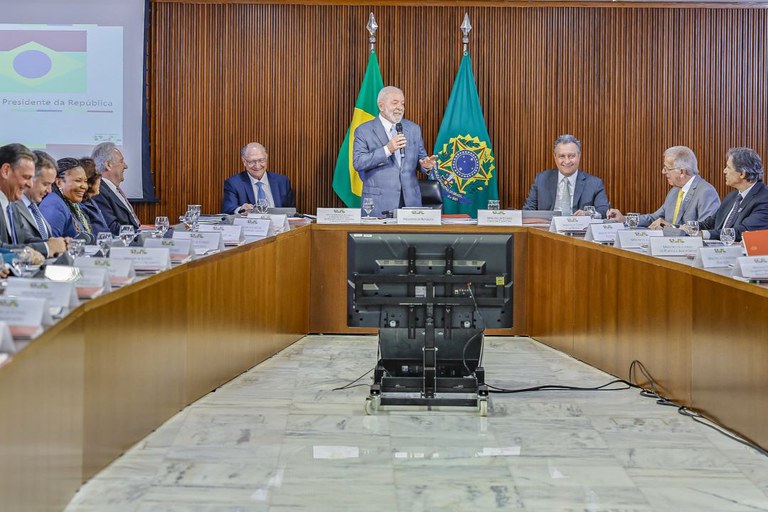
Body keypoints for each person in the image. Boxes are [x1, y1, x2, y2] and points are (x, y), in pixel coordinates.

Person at [352, 86, 437, 217]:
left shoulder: (413, 129)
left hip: (410, 202)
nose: (400, 107)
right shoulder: (364, 130)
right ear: (381, 106)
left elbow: (421, 158)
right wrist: (387, 149)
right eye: (395, 102)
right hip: (379, 202)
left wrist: (426, 166)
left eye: (402, 103)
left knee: (410, 238)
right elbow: (358, 163)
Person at [606, 146, 720, 228]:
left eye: (666, 168)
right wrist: (624, 219)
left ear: (682, 172)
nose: (663, 172)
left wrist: (670, 227)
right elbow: (654, 218)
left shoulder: (706, 192)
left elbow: (705, 230)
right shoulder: (675, 191)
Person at [686, 147, 768, 241]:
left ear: (742, 174)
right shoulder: (732, 197)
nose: (724, 171)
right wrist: (684, 228)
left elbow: (743, 231)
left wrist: (703, 234)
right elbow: (709, 224)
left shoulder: (764, 198)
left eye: (728, 167)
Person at [523, 134, 610, 218]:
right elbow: (528, 211)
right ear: (555, 157)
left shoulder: (594, 184)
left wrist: (589, 214)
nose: (567, 161)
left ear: (579, 156)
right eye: (562, 156)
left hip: (579, 230)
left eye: (571, 156)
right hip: (547, 230)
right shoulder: (541, 179)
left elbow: (603, 211)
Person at [11, 150, 68, 258]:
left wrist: (61, 244)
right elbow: (18, 244)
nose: (49, 190)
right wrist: (48, 246)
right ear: (30, 178)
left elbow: (43, 241)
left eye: (51, 185)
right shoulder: (11, 206)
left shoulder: (34, 207)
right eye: (46, 184)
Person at [0, 143, 45, 264]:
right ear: (6, 171)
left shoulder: (12, 205)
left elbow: (23, 240)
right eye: (26, 177)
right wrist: (47, 248)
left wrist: (52, 243)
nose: (30, 184)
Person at [222, 143, 296, 215]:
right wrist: (241, 209)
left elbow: (291, 211)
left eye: (261, 160)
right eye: (252, 162)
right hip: (251, 226)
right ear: (244, 161)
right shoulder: (234, 183)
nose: (257, 166)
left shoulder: (282, 181)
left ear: (266, 158)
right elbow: (228, 208)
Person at [39, 157, 95, 243]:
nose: (84, 186)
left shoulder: (72, 204)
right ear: (59, 182)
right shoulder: (53, 205)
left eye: (85, 181)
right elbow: (52, 245)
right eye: (78, 180)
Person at [90, 142, 141, 234]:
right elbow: (112, 228)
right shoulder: (99, 192)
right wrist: (142, 233)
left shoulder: (112, 190)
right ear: (108, 165)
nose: (126, 166)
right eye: (121, 161)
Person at [79, 157, 110, 235]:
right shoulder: (81, 206)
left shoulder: (91, 201)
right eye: (99, 178)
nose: (100, 181)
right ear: (90, 182)